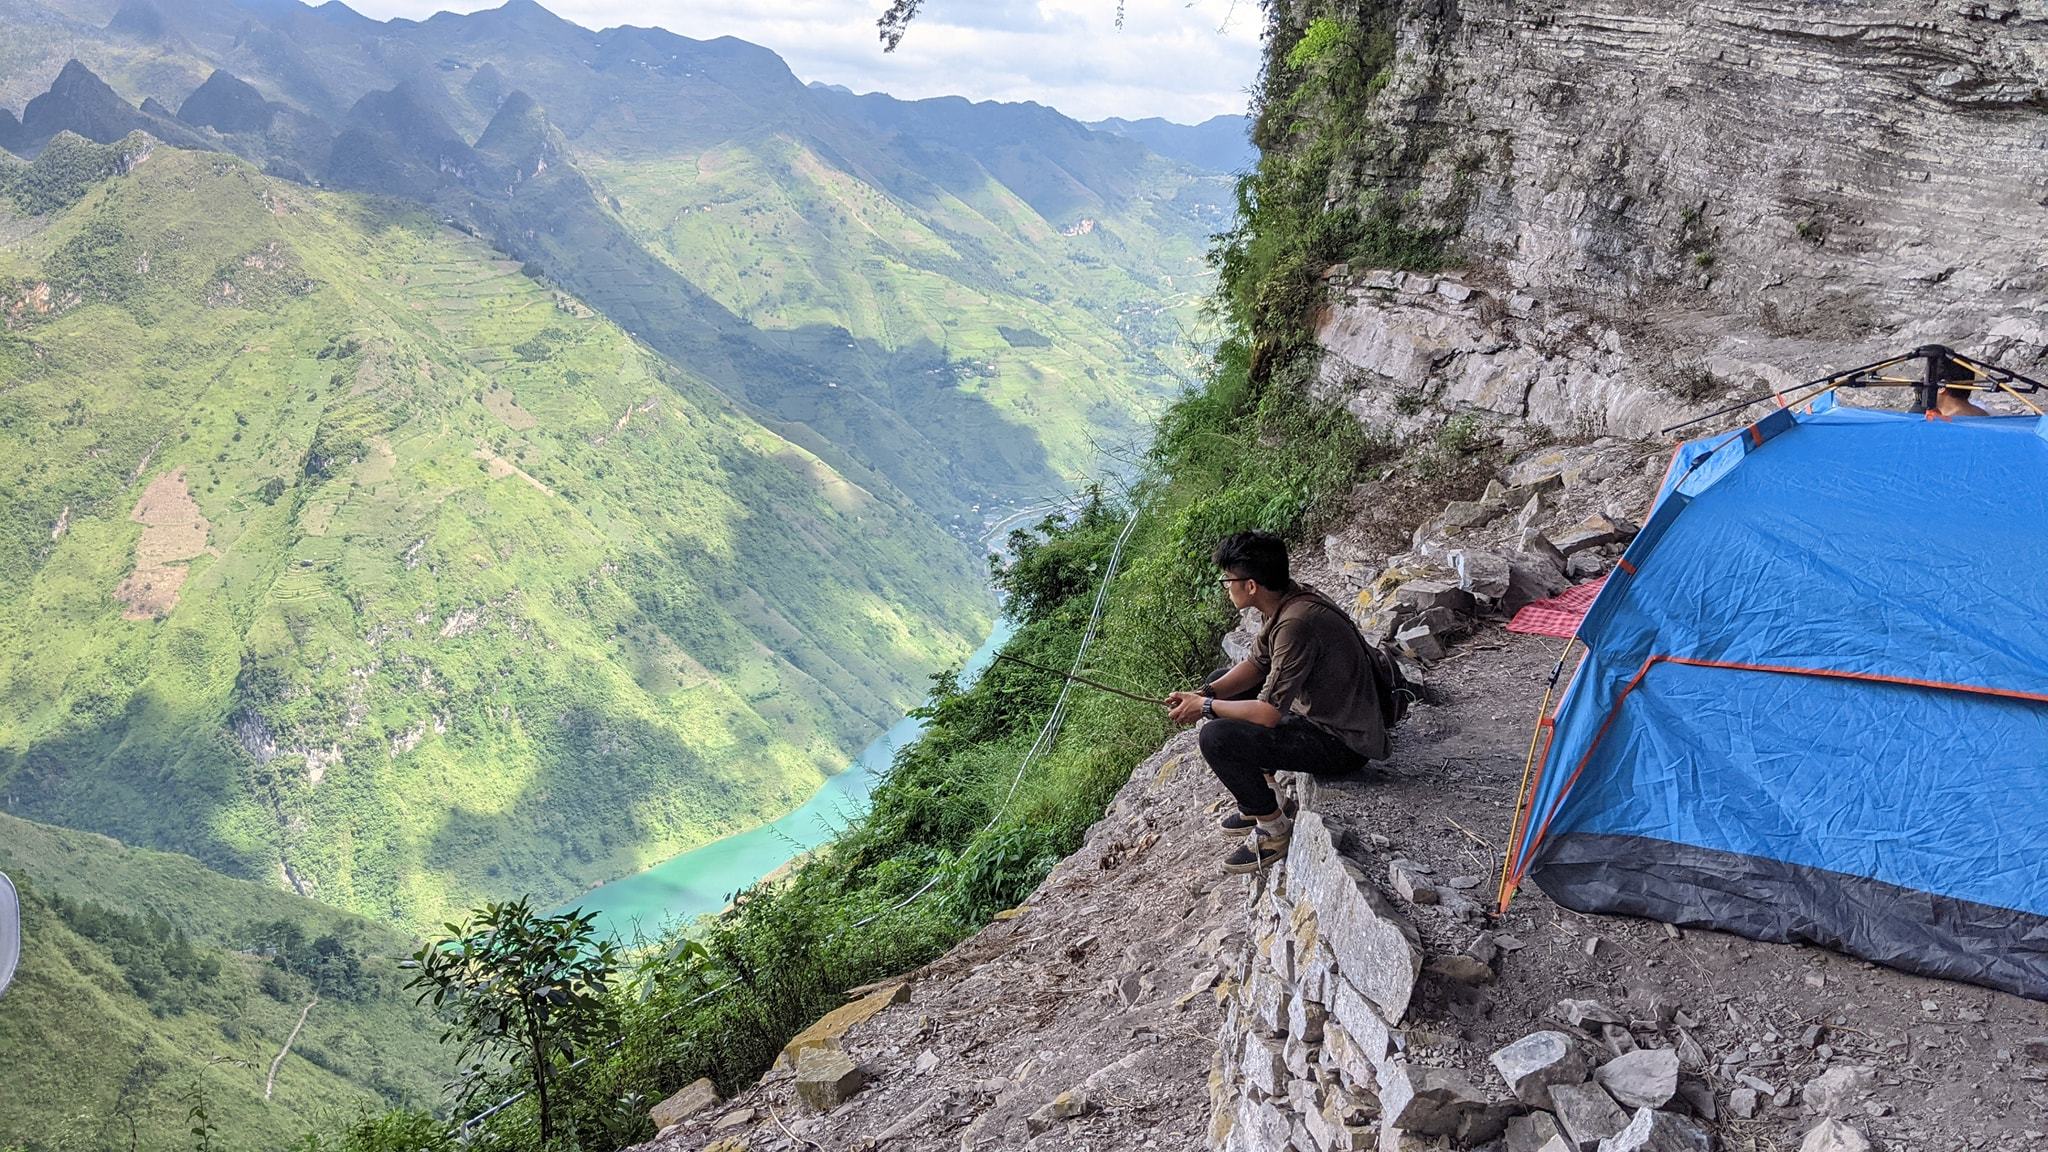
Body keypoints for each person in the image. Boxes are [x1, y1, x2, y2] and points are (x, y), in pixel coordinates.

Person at [1166, 532, 1391, 873]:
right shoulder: (1285, 602)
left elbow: (1269, 714)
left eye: (1229, 580)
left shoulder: (1296, 623)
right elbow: (1257, 664)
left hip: (1344, 743)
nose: (1226, 587)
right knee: (1218, 683)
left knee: (1216, 738)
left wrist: (1205, 707)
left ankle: (1273, 830)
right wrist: (1205, 694)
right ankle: (1266, 795)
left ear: (1251, 585)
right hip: (1319, 717)